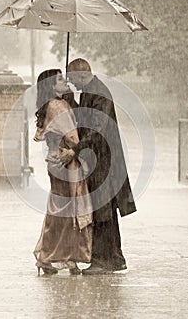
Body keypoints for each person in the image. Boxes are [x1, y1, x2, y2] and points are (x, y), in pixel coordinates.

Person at [59, 58, 136, 275]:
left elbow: (97, 129)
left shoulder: (99, 92)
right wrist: (69, 100)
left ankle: (104, 260)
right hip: (98, 160)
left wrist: (75, 149)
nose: (72, 84)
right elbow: (84, 119)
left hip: (105, 161)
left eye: (73, 79)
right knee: (104, 210)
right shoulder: (88, 92)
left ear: (82, 74)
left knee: (103, 211)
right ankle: (114, 258)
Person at [33, 69, 93, 275]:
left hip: (55, 162)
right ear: (51, 85)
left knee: (60, 210)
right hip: (64, 162)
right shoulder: (58, 106)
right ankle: (59, 257)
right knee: (67, 211)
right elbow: (73, 137)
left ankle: (55, 256)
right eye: (60, 79)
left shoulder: (52, 104)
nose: (64, 80)